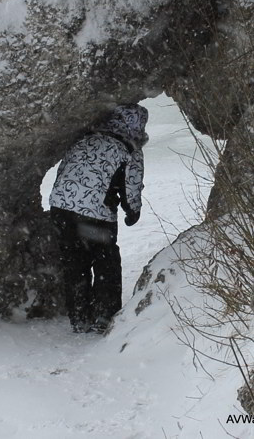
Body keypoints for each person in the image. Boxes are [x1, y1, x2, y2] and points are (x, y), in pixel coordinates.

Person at [49, 104, 148, 334]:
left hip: (61, 210)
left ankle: (79, 317)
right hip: (94, 217)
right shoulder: (129, 149)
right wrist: (132, 212)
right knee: (106, 261)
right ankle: (104, 315)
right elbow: (131, 188)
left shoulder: (85, 137)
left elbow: (65, 170)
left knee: (74, 263)